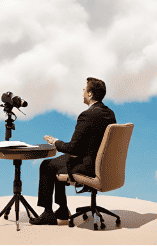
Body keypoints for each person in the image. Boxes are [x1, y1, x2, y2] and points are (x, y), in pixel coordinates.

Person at [29, 77, 116, 225]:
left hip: (88, 167)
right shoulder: (109, 113)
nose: (82, 92)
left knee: (46, 165)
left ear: (90, 94)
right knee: (59, 162)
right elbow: (91, 143)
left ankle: (48, 214)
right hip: (101, 163)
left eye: (84, 89)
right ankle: (62, 209)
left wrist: (55, 142)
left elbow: (73, 148)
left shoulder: (86, 115)